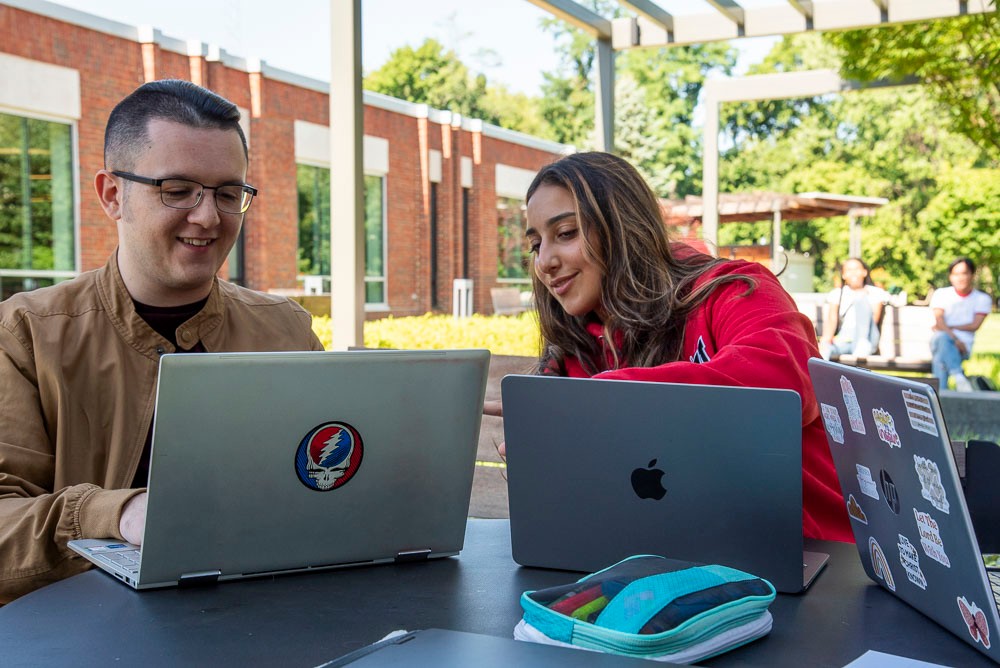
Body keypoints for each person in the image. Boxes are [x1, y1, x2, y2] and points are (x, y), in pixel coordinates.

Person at [0, 80, 324, 602]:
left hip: (261, 618)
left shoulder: (287, 330)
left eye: (227, 193)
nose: (208, 217)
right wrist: (120, 514)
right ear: (112, 195)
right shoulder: (22, 336)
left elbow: (333, 485)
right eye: (177, 190)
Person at [486, 152, 852, 543]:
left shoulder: (732, 289)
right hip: (681, 567)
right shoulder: (575, 355)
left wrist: (598, 401)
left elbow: (785, 383)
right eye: (535, 245)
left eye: (567, 233)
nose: (545, 261)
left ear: (623, 226)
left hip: (821, 563)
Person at [929, 258, 992, 391]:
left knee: (940, 357)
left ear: (972, 275)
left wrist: (950, 327)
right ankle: (958, 375)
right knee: (941, 338)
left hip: (963, 348)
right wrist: (955, 339)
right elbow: (939, 321)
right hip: (942, 341)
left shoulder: (982, 299)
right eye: (956, 274)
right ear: (950, 276)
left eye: (964, 273)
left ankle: (941, 399)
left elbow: (975, 325)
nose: (960, 278)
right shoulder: (941, 294)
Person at [818, 258, 889, 360]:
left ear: (864, 272)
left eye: (856, 269)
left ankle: (861, 346)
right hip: (844, 340)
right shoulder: (837, 294)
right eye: (849, 270)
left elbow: (874, 319)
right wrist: (825, 341)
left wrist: (860, 296)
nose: (853, 273)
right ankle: (819, 374)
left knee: (860, 300)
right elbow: (832, 320)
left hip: (866, 338)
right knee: (825, 349)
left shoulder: (875, 292)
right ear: (843, 275)